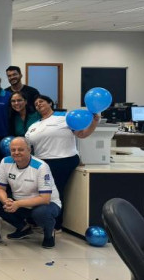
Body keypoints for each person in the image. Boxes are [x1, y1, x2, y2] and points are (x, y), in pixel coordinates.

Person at [25, 94, 99, 229]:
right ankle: (39, 220)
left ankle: (56, 225)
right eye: (36, 104)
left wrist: (94, 122)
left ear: (50, 103)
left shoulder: (64, 118)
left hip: (63, 160)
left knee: (55, 192)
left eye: (41, 101)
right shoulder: (34, 125)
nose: (38, 104)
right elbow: (28, 146)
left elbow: (82, 134)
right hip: (42, 163)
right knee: (39, 192)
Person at [0, 137, 61, 248]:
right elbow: (0, 188)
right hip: (20, 202)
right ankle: (23, 228)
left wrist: (17, 204)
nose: (16, 153)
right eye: (13, 150)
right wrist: (6, 201)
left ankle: (49, 234)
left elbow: (45, 198)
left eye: (20, 149)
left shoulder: (41, 167)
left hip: (46, 204)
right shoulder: (5, 162)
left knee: (41, 213)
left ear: (29, 150)